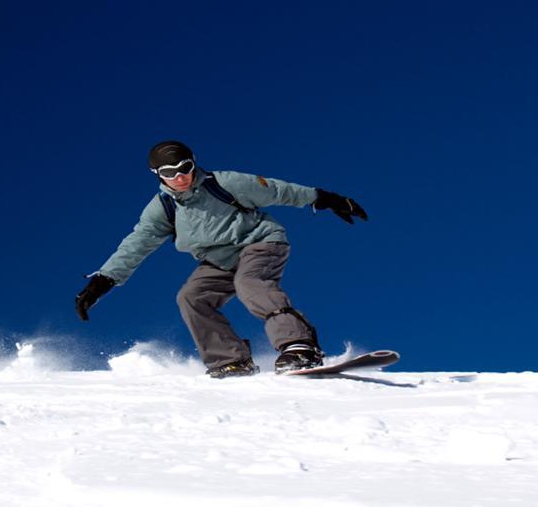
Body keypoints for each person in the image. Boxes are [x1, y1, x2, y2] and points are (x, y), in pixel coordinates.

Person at [75, 140, 368, 377]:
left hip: (260, 244)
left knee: (249, 283)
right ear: (158, 175)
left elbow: (278, 190)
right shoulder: (163, 207)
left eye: (184, 168)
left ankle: (298, 345)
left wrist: (326, 199)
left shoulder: (224, 183)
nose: (179, 177)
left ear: (193, 163)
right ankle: (231, 361)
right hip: (219, 261)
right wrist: (104, 280)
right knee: (191, 297)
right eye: (169, 173)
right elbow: (137, 243)